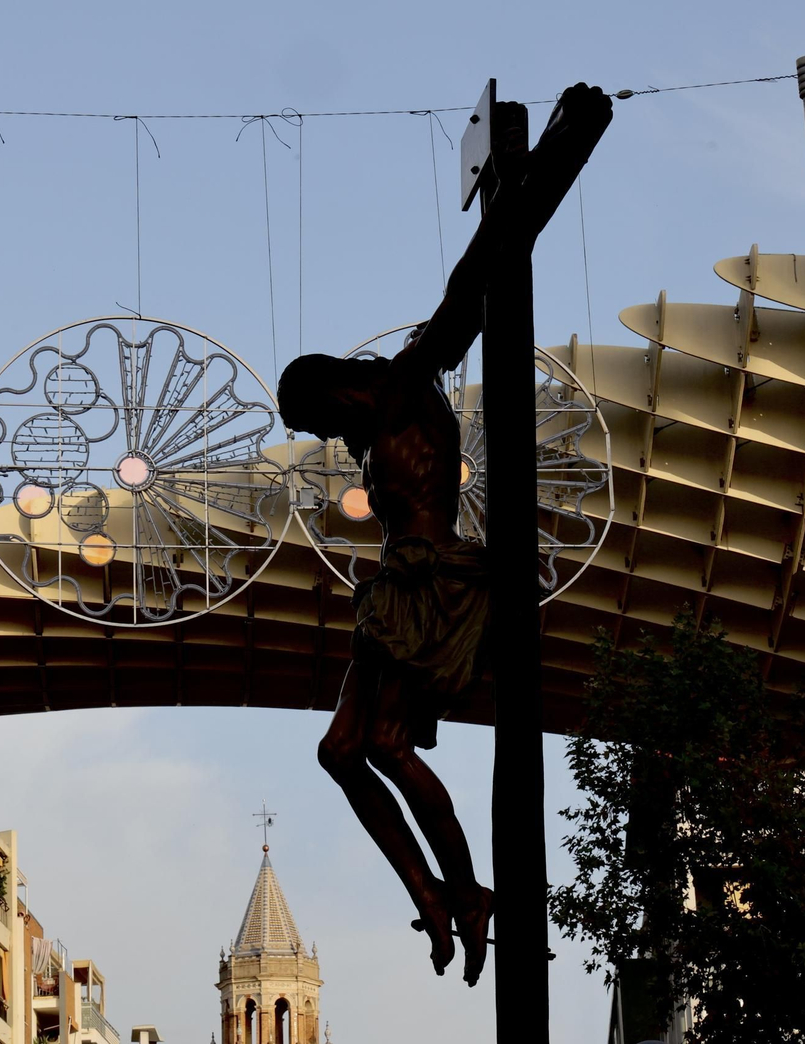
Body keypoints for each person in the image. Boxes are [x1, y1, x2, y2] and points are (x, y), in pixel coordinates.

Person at [276, 84, 612, 987]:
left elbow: (478, 274)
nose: (325, 440)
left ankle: (467, 890)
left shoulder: (408, 380)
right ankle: (433, 890)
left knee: (381, 745)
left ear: (335, 387)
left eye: (317, 420)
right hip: (396, 581)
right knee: (340, 751)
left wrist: (559, 149)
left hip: (436, 578)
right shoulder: (364, 427)